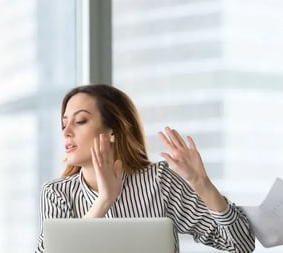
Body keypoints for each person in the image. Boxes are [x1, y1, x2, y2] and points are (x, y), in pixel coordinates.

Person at [35, 84, 255, 253]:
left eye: (80, 121)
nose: (66, 132)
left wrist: (202, 184)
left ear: (112, 131)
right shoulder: (57, 193)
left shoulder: (159, 181)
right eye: (64, 124)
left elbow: (241, 245)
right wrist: (103, 201)